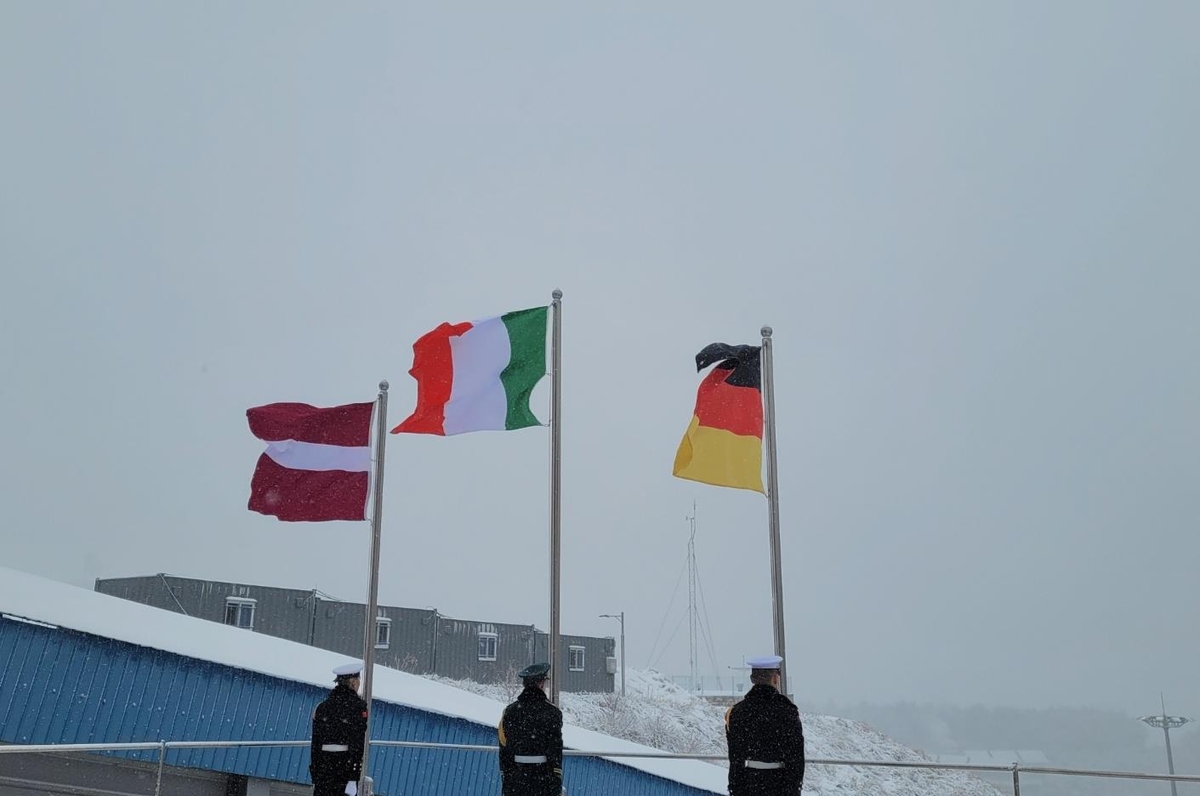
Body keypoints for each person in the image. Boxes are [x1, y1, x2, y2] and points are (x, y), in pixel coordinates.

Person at [725, 655, 805, 795]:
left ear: (752, 679)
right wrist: (793, 789)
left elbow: (735, 757)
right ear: (775, 678)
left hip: (748, 785)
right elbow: (796, 757)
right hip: (780, 786)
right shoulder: (787, 711)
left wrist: (735, 789)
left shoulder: (737, 712)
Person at [497, 662, 564, 796]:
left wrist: (507, 776)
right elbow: (555, 749)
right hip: (543, 778)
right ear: (540, 684)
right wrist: (556, 777)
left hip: (516, 778)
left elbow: (504, 746)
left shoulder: (510, 711)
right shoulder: (552, 712)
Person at [310, 662, 369, 796]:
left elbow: (315, 744)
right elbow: (357, 744)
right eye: (358, 681)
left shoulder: (321, 708)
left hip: (323, 771)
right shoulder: (358, 708)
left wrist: (316, 774)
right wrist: (353, 778)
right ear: (353, 682)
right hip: (344, 770)